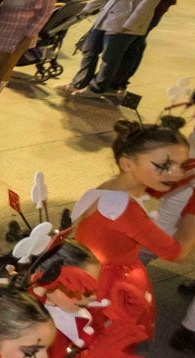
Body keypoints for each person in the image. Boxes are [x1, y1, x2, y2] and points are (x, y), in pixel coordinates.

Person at [71, 118, 186, 343]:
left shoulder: (110, 187)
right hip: (109, 282)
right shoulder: (125, 210)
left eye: (182, 165)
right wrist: (191, 216)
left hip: (87, 269)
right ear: (127, 163)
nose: (176, 174)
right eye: (162, 165)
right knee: (104, 338)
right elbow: (174, 252)